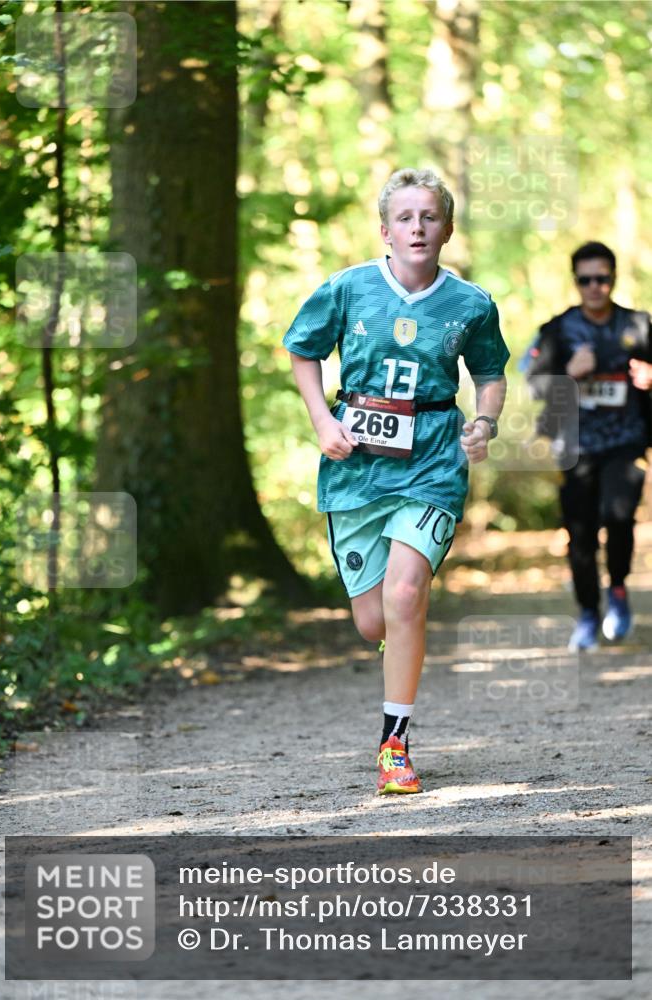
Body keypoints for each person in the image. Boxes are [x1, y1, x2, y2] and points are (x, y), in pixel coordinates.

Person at [283, 167, 509, 794]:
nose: (418, 227)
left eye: (429, 216)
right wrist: (321, 419)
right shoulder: (349, 288)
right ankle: (397, 646)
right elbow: (303, 350)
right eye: (405, 218)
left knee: (406, 596)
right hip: (355, 465)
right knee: (374, 622)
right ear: (385, 230)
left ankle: (394, 745)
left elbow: (490, 373)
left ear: (448, 228)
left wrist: (484, 422)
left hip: (433, 460)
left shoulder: (471, 303)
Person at [526, 242, 652, 651]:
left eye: (602, 278)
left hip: (626, 441)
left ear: (613, 278)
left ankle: (617, 588)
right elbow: (533, 384)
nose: (595, 287)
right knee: (579, 534)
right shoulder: (560, 329)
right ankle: (587, 612)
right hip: (575, 444)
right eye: (586, 280)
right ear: (576, 282)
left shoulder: (639, 326)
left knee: (618, 516)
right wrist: (568, 372)